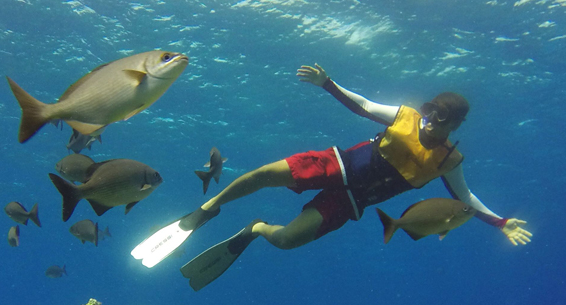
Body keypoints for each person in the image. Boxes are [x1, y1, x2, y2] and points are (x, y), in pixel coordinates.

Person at [131, 64, 533, 290]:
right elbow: (362, 106)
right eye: (430, 111)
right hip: (336, 163)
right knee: (263, 175)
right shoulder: (405, 115)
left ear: (455, 123)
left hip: (353, 202)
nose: (430, 120)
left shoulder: (449, 160)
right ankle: (208, 208)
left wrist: (499, 222)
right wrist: (328, 84)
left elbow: (467, 197)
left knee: (287, 240)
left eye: (441, 118)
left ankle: (254, 229)